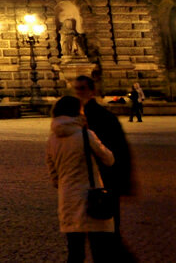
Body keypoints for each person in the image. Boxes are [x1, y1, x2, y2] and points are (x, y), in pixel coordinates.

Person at [46, 95, 119, 262]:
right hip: (91, 198)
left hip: (68, 198)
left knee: (75, 252)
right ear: (77, 112)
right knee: (99, 251)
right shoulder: (85, 135)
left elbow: (53, 177)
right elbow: (109, 159)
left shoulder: (52, 139)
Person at [73, 74, 135, 247]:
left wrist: (123, 183)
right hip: (87, 187)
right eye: (76, 89)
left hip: (105, 185)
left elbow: (119, 152)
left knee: (108, 238)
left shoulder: (101, 117)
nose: (78, 93)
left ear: (92, 91)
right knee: (103, 239)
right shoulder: (77, 119)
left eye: (82, 89)